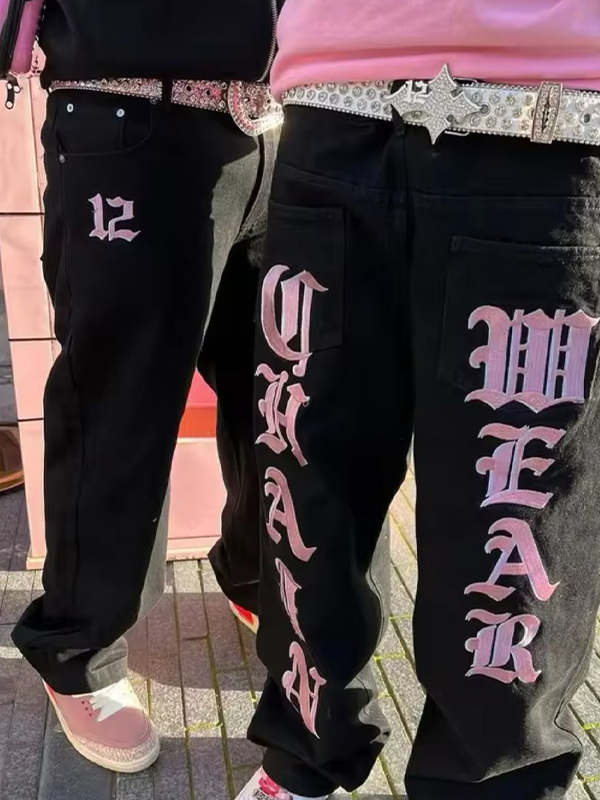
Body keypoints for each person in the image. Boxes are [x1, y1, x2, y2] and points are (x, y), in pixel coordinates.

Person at [233, 2, 600, 799]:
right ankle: (304, 749)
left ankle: (489, 785)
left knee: (513, 516)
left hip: (549, 115)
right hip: (330, 108)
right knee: (306, 478)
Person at [11, 0, 284, 773]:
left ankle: (257, 573)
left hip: (289, 125)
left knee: (284, 398)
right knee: (120, 402)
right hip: (131, 108)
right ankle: (78, 646)